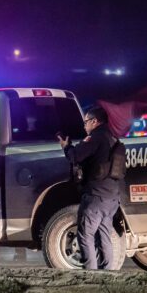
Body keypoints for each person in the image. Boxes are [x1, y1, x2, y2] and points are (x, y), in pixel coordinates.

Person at [58, 106, 122, 270]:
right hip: (112, 198)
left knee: (86, 235)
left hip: (95, 197)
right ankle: (108, 273)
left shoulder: (96, 137)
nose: (84, 126)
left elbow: (75, 156)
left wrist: (66, 146)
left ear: (95, 121)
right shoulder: (113, 137)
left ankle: (90, 274)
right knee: (104, 236)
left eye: (86, 122)